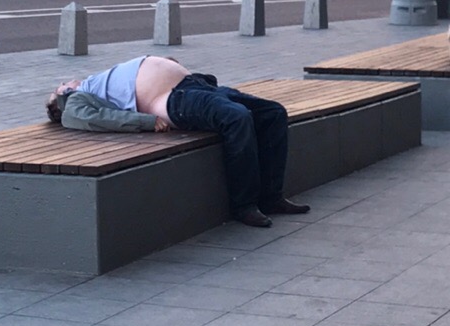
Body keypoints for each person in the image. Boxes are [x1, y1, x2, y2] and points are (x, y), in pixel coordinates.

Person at [46, 56, 310, 228]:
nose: (65, 81)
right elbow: (95, 119)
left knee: (273, 112)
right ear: (60, 96)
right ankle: (244, 205)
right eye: (60, 85)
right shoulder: (74, 100)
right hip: (173, 97)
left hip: (194, 86)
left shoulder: (97, 83)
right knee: (237, 118)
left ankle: (271, 196)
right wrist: (146, 122)